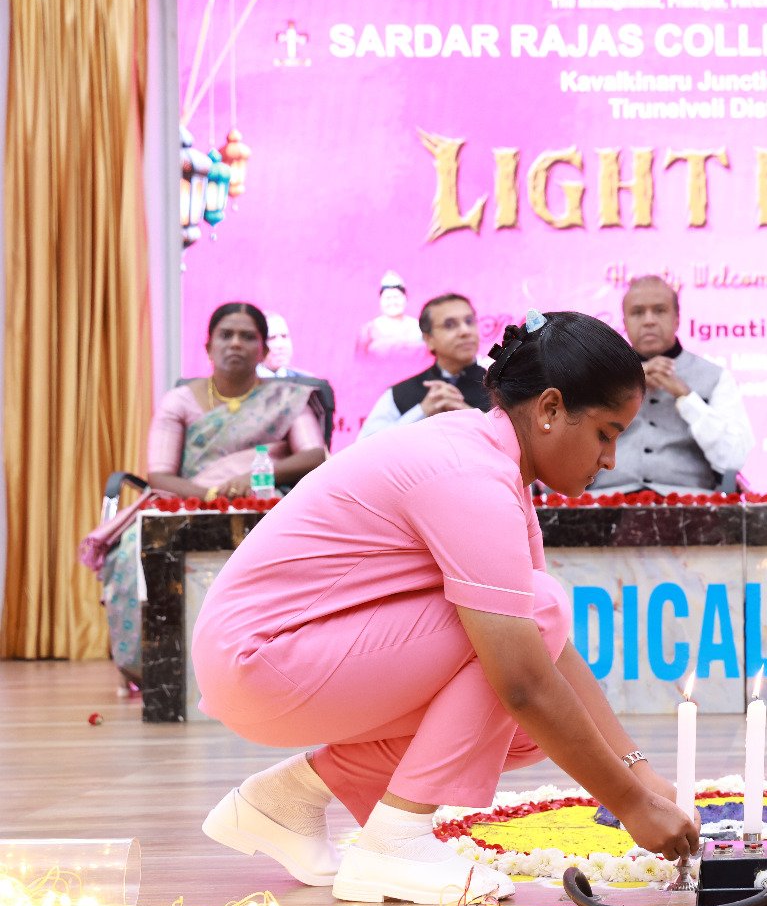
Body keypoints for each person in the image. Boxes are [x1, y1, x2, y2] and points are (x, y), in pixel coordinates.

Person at [192, 310, 698, 906]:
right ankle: (395, 842)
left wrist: (640, 774)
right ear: (550, 409)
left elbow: (551, 652)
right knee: (531, 644)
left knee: (527, 731)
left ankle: (289, 799)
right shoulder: (470, 474)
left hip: (275, 660)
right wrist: (632, 805)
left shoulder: (492, 463)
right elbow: (525, 677)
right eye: (606, 434)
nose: (609, 459)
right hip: (261, 659)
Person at [96, 303, 328, 685]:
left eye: (247, 336)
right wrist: (213, 493)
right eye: (226, 335)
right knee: (133, 547)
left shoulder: (287, 399)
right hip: (188, 501)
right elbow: (160, 474)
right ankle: (156, 668)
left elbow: (314, 455)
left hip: (265, 500)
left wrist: (255, 476)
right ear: (208, 347)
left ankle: (285, 662)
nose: (235, 343)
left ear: (263, 350)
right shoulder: (180, 401)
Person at [591, 275, 754, 494]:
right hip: (604, 502)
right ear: (625, 322)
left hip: (690, 503)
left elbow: (732, 459)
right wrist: (622, 386)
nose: (649, 321)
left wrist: (686, 397)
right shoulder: (596, 377)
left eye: (660, 310)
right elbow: (567, 449)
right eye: (638, 312)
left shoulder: (715, 377)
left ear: (677, 319)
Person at [359, 293, 491, 439]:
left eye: (469, 321)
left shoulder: (500, 387)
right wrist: (421, 411)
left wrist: (470, 415)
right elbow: (364, 445)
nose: (465, 331)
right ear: (428, 339)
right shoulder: (401, 393)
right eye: (449, 325)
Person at [356, 270, 424, 357]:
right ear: (380, 300)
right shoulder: (369, 330)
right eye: (388, 298)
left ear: (406, 298)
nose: (393, 302)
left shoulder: (419, 327)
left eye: (396, 297)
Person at [257, 313, 309, 379]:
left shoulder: (307, 381)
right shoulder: (245, 382)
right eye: (272, 338)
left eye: (284, 336)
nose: (280, 345)